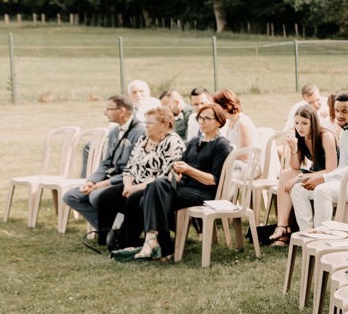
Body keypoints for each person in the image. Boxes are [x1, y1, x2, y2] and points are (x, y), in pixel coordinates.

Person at [133, 103, 233, 261]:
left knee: (148, 198)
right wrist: (177, 172)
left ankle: (158, 244)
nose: (202, 121)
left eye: (207, 118)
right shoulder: (194, 142)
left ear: (219, 122)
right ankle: (158, 244)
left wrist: (188, 170)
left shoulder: (222, 145)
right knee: (155, 186)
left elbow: (214, 180)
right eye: (200, 117)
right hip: (183, 186)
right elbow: (180, 165)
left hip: (204, 192)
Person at [290, 91, 348, 231]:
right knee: (298, 190)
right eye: (337, 110)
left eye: (344, 111)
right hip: (346, 180)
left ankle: (321, 236)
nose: (339, 115)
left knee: (322, 191)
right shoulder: (345, 131)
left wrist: (322, 179)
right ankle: (308, 234)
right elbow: (342, 168)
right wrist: (317, 177)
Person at [63, 95, 144, 245]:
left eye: (108, 109)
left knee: (96, 197)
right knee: (70, 196)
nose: (105, 112)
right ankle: (111, 231)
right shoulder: (114, 131)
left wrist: (105, 183)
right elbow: (105, 162)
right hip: (106, 179)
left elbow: (134, 169)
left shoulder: (140, 132)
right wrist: (91, 181)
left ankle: (120, 232)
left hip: (125, 182)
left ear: (122, 111)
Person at [104, 106, 185, 254]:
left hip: (157, 188)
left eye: (150, 123)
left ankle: (129, 243)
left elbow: (165, 175)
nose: (145, 125)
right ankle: (109, 238)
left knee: (133, 199)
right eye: (145, 122)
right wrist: (127, 185)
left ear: (165, 125)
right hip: (134, 183)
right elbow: (129, 167)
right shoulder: (143, 139)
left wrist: (135, 188)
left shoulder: (173, 142)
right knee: (107, 196)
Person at [271, 103, 337, 246]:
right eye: (297, 123)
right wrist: (294, 149)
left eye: (304, 123)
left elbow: (332, 169)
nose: (300, 127)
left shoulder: (326, 136)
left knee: (292, 178)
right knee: (286, 174)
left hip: (331, 175)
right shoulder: (300, 136)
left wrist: (299, 177)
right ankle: (282, 225)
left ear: (313, 122)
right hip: (315, 171)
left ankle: (288, 230)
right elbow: (295, 166)